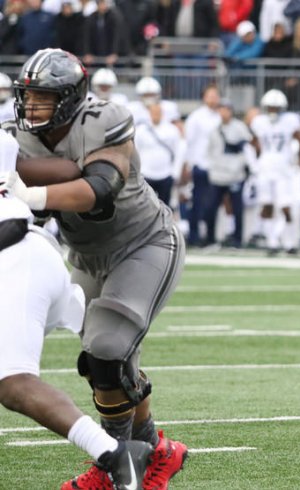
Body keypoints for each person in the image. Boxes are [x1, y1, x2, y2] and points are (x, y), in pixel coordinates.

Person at [3, 48, 188, 489]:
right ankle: (157, 452)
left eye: (42, 98)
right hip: (85, 255)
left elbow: (100, 188)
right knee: (103, 365)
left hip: (143, 243)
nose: (30, 107)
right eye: (26, 97)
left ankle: (113, 467)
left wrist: (32, 195)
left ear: (70, 97)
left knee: (107, 350)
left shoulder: (104, 119)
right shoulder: (16, 134)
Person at [0, 129, 154, 490]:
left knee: (13, 382)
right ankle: (146, 438)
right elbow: (62, 169)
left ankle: (116, 454)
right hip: (32, 252)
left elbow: (65, 172)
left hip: (15, 258)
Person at [250, 89, 300, 255]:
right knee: (267, 205)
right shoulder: (259, 122)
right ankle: (272, 242)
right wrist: (255, 163)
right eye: (270, 107)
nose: (273, 111)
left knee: (285, 206)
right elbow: (253, 143)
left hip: (283, 170)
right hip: (265, 169)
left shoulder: (290, 121)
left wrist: (299, 164)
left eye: (276, 107)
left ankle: (290, 242)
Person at [207, 98, 255, 248]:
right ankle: (210, 238)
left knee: (237, 208)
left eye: (226, 109)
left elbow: (247, 148)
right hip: (218, 174)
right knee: (211, 207)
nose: (223, 113)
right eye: (221, 109)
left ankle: (237, 239)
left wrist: (248, 167)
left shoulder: (239, 128)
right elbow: (211, 151)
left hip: (235, 174)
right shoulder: (214, 129)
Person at [184, 84, 223, 246]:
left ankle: (210, 236)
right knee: (197, 202)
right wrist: (188, 164)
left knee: (212, 204)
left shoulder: (220, 117)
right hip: (200, 164)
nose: (213, 99)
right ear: (204, 98)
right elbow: (188, 142)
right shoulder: (196, 117)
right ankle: (194, 236)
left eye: (216, 95)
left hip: (216, 166)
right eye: (210, 95)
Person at [134, 102, 184, 208]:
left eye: (158, 112)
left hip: (165, 174)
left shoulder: (172, 130)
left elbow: (179, 152)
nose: (155, 115)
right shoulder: (141, 130)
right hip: (146, 174)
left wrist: (175, 173)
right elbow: (135, 151)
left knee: (165, 207)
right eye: (153, 112)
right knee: (145, 207)